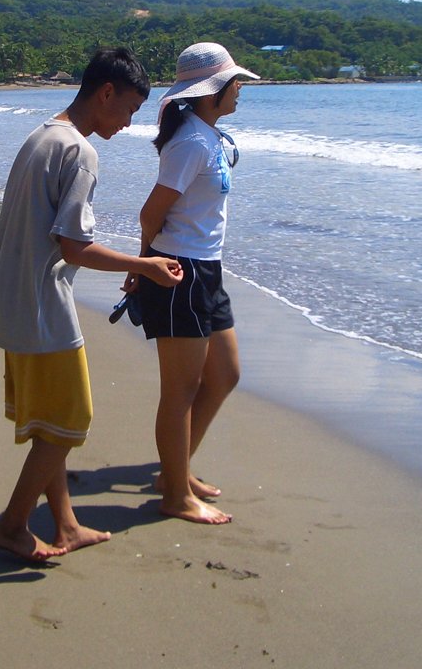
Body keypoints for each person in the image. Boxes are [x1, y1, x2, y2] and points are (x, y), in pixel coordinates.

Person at [0, 46, 185, 562]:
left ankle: (67, 524)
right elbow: (73, 246)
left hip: (11, 298)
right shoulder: (79, 151)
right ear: (106, 93)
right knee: (71, 421)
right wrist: (143, 266)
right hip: (42, 304)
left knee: (50, 421)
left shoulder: (41, 135)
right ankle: (12, 526)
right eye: (129, 111)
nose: (128, 123)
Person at [131, 42, 259, 525]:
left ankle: (174, 473)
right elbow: (150, 214)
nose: (241, 89)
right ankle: (175, 494)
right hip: (179, 271)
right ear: (214, 91)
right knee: (181, 391)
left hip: (207, 269)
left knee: (224, 374)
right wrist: (142, 267)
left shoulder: (210, 135)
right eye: (235, 82)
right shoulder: (190, 142)